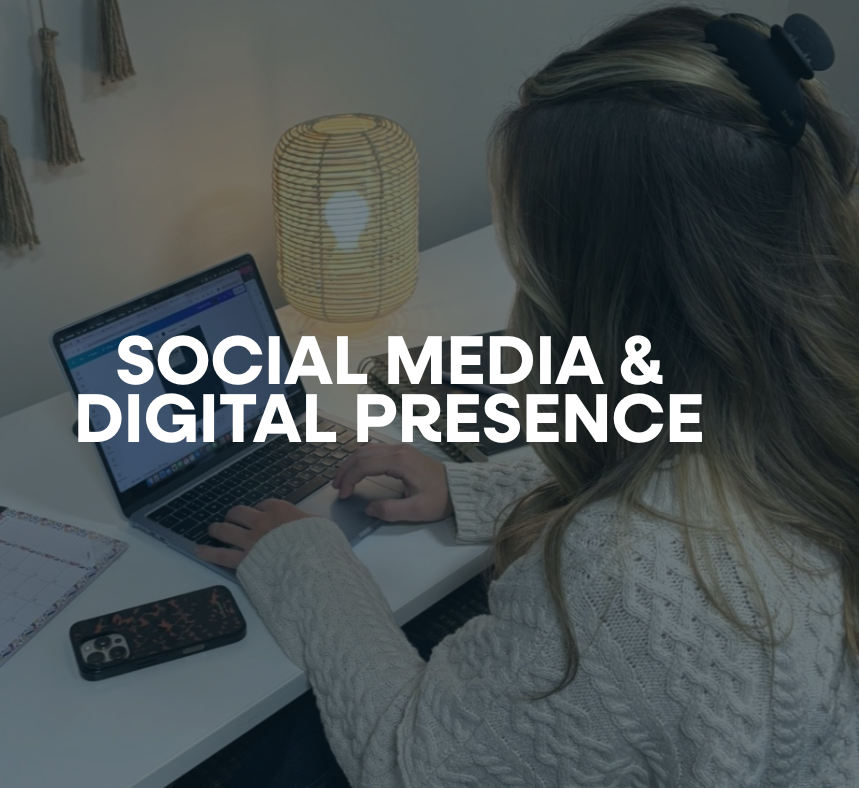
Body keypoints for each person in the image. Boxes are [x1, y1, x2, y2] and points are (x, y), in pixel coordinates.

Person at [197, 5, 859, 786]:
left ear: (600, 293)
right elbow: (689, 468)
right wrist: (470, 487)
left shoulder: (620, 581)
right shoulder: (813, 405)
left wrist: (306, 563)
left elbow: (411, 763)